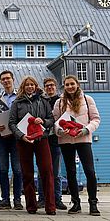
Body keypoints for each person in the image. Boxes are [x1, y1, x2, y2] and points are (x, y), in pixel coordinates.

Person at [53, 75, 101, 216]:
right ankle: (76, 203)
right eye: (67, 84)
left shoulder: (87, 99)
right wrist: (60, 130)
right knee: (70, 172)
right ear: (64, 86)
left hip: (83, 139)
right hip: (66, 140)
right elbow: (55, 121)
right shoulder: (59, 102)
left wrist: (86, 129)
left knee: (90, 171)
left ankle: (93, 203)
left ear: (77, 84)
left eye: (72, 84)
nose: (70, 87)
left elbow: (96, 119)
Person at [8, 76, 56, 215]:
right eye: (27, 85)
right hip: (24, 141)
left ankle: (50, 206)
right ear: (23, 87)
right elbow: (11, 123)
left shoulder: (44, 100)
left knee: (47, 171)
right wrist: (21, 136)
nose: (30, 87)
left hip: (42, 139)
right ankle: (31, 206)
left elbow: (51, 119)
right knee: (27, 173)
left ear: (36, 86)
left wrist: (44, 122)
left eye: (32, 84)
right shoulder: (17, 103)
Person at [0, 70, 23, 210]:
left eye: (8, 78)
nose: (6, 81)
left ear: (13, 79)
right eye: (3, 79)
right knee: (3, 170)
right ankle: (5, 199)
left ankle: (17, 200)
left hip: (17, 138)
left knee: (17, 170)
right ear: (1, 81)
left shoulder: (21, 97)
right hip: (1, 138)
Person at [37, 78, 67, 210]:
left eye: (52, 85)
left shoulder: (61, 101)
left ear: (56, 87)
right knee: (41, 170)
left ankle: (57, 199)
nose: (50, 88)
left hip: (55, 139)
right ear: (44, 88)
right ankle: (42, 198)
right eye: (47, 86)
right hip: (42, 138)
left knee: (56, 171)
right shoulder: (41, 101)